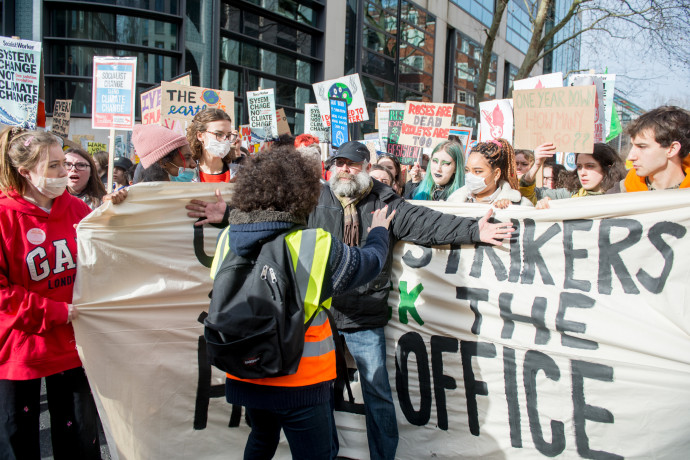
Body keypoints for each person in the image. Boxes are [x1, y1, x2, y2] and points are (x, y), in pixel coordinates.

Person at [186, 141, 514, 460]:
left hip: (330, 334)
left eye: (352, 163)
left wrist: (475, 230)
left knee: (369, 396)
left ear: (367, 169)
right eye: (338, 162)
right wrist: (379, 234)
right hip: (311, 346)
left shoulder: (385, 203)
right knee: (312, 432)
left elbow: (427, 222)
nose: (343, 169)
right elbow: (355, 257)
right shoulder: (313, 218)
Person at [213, 144, 394, 459]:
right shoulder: (313, 243)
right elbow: (370, 263)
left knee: (260, 438)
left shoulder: (227, 238)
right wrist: (379, 231)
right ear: (303, 194)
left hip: (247, 372)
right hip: (302, 382)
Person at [0, 127, 102, 459]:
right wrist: (55, 311)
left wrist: (116, 215)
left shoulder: (76, 210)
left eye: (65, 162)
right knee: (18, 444)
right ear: (25, 171)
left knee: (80, 442)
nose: (66, 172)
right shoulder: (4, 217)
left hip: (74, 347)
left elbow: (102, 259)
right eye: (54, 166)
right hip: (20, 353)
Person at [608, 105, 690, 193]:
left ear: (672, 149)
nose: (630, 157)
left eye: (642, 147)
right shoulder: (619, 193)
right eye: (633, 146)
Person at [525, 143, 627, 208]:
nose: (582, 172)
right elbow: (529, 195)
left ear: (607, 168)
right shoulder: (571, 194)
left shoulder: (623, 194)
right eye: (579, 167)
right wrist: (537, 165)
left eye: (590, 166)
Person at [448, 138, 533, 208]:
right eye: (467, 170)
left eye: (477, 171)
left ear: (496, 174)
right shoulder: (454, 200)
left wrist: (511, 212)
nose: (470, 176)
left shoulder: (520, 205)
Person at [187, 108, 237, 183]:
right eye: (219, 134)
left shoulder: (240, 174)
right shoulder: (185, 175)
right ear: (200, 136)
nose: (225, 140)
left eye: (229, 135)